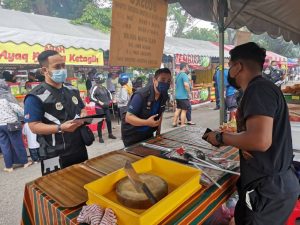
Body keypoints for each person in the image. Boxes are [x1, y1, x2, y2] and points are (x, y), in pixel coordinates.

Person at [205, 42, 300, 225]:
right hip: (272, 185)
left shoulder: (258, 89)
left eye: (230, 65)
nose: (229, 70)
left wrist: (220, 138)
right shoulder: (263, 88)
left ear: (238, 66)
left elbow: (260, 140)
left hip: (268, 190)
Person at [24, 50, 88, 175]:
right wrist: (60, 128)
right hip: (52, 152)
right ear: (44, 70)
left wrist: (84, 114)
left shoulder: (72, 89)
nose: (62, 70)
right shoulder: (35, 96)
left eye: (63, 65)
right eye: (57, 67)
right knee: (55, 188)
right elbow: (34, 126)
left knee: (83, 180)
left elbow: (82, 108)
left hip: (78, 147)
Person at [121, 68, 171, 147]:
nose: (165, 83)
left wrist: (158, 134)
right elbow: (128, 117)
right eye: (163, 79)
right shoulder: (141, 95)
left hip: (148, 133)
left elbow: (160, 114)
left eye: (168, 81)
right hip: (132, 134)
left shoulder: (164, 96)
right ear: (154, 80)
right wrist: (147, 122)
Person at [0, 80, 32, 172]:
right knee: (17, 143)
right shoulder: (7, 97)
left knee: (4, 146)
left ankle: (8, 166)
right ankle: (25, 162)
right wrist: (26, 115)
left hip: (0, 125)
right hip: (11, 123)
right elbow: (18, 109)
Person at [90, 73, 116, 143]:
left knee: (109, 120)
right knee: (100, 122)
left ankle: (110, 134)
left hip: (106, 106)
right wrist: (99, 102)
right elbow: (91, 97)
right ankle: (100, 137)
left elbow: (109, 94)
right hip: (99, 107)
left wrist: (110, 100)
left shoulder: (104, 87)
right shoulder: (95, 87)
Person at [172, 62, 191, 127]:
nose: (188, 68)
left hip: (178, 96)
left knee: (178, 109)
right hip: (183, 96)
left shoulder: (178, 75)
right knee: (184, 111)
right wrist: (189, 93)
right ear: (185, 67)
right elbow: (186, 85)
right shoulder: (184, 75)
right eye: (188, 67)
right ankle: (182, 124)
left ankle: (174, 123)